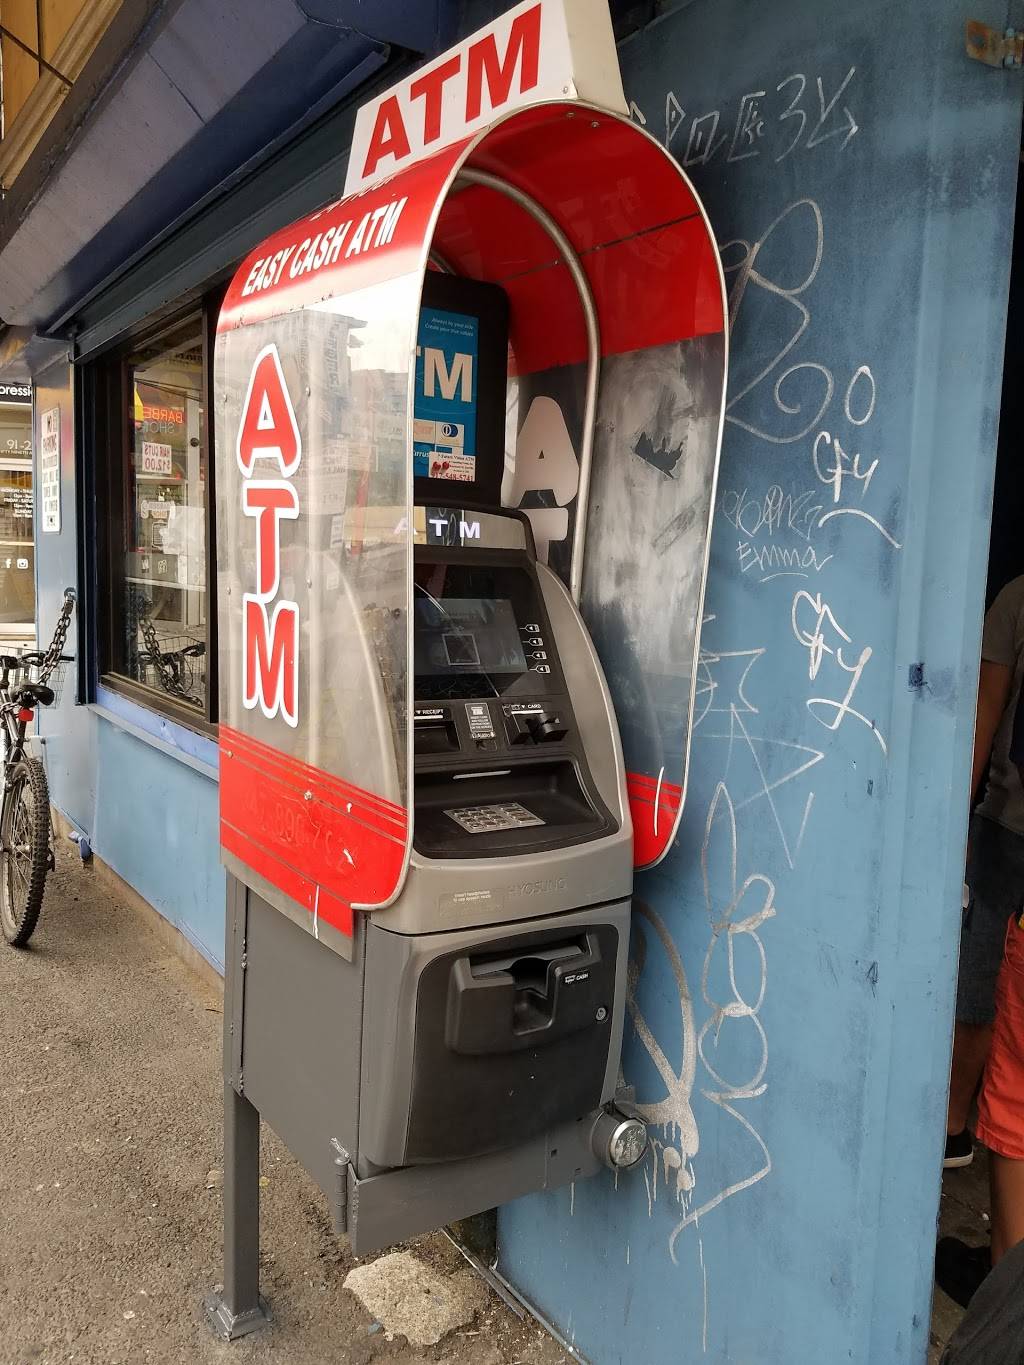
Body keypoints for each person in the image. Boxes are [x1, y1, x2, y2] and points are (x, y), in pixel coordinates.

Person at [938, 588, 1024, 1307]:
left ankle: (954, 1125)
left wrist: (951, 821)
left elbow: (983, 718)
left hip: (1009, 830)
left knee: (985, 995)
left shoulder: (1019, 601)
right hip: (1004, 828)